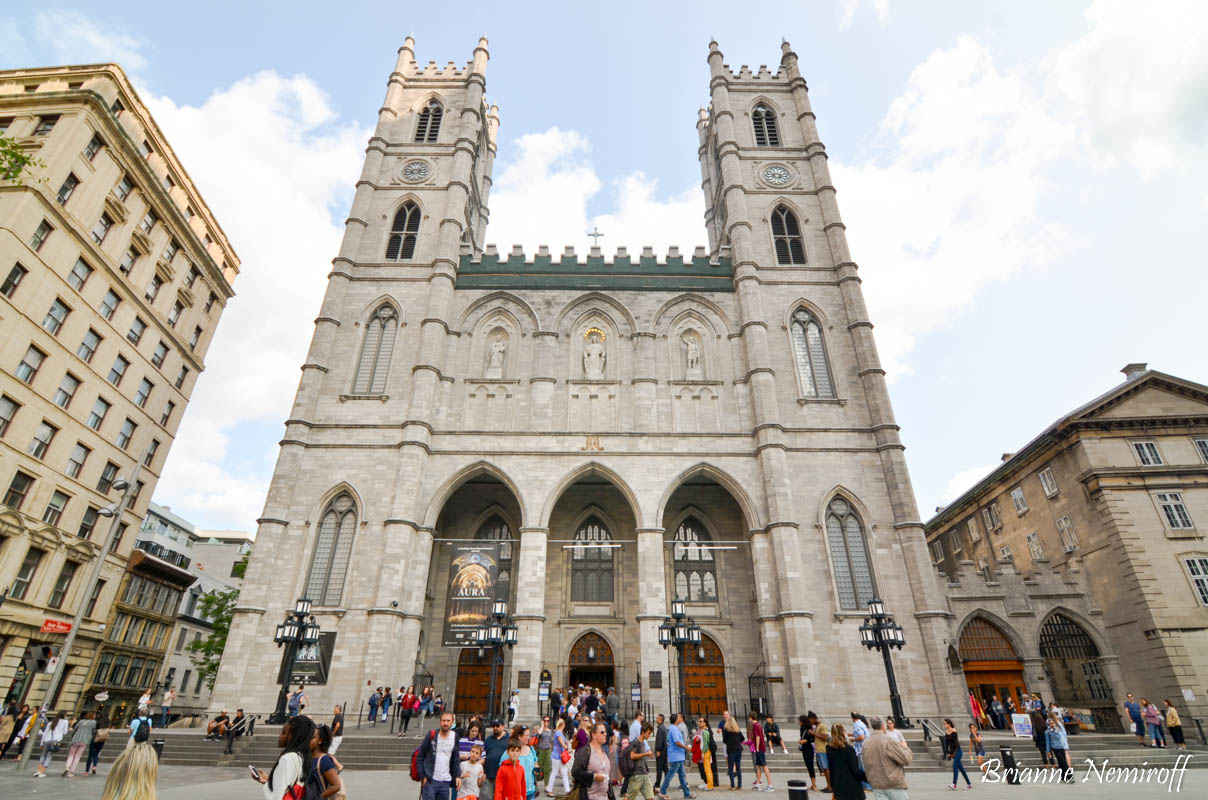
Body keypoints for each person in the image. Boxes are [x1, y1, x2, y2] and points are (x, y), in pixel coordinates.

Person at [252, 716, 317, 800]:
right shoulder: (302, 756)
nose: (280, 736)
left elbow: (276, 798)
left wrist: (265, 786)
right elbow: (289, 785)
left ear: (294, 736)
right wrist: (269, 781)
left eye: (283, 732)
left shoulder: (287, 759)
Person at [861, 717, 911, 800]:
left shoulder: (866, 743)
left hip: (876, 783)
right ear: (883, 726)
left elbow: (865, 763)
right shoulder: (889, 741)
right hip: (892, 783)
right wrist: (905, 748)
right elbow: (906, 759)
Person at [419, 711, 462, 800]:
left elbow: (456, 758)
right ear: (440, 722)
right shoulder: (431, 735)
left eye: (448, 721)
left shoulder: (455, 737)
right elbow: (420, 756)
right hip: (430, 780)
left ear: (452, 722)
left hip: (445, 781)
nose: (445, 723)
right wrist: (423, 776)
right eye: (443, 720)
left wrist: (457, 775)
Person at [574, 723, 619, 800]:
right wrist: (594, 776)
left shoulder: (604, 753)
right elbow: (575, 772)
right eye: (602, 732)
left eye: (605, 732)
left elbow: (607, 780)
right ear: (593, 735)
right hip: (589, 796)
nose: (605, 734)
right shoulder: (585, 751)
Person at [825, 723, 866, 800]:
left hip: (838, 786)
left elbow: (831, 768)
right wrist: (868, 778)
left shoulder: (829, 749)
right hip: (852, 788)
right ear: (844, 732)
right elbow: (855, 771)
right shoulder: (849, 750)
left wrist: (832, 784)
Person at [659, 712, 694, 799]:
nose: (680, 718)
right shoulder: (674, 729)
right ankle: (662, 791)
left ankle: (687, 793)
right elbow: (677, 742)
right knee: (670, 774)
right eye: (678, 717)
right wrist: (686, 747)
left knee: (682, 775)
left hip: (678, 756)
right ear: (676, 720)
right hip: (676, 756)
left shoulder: (672, 728)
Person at [310, 723, 344, 800]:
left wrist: (317, 797)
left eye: (312, 738)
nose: (308, 740)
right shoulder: (307, 757)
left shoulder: (324, 760)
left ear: (320, 741)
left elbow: (336, 785)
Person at [626, 721, 657, 800]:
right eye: (648, 733)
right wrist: (645, 754)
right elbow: (632, 756)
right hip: (636, 774)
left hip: (644, 773)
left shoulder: (643, 742)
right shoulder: (636, 742)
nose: (649, 735)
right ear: (643, 732)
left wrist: (648, 755)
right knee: (630, 797)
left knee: (650, 797)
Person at [35, 710, 69, 777]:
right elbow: (65, 732)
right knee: (49, 756)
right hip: (55, 741)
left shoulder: (51, 722)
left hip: (46, 740)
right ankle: (42, 772)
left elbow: (45, 733)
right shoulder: (65, 722)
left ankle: (39, 771)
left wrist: (41, 743)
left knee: (43, 755)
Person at [482, 718, 509, 800]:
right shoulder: (488, 739)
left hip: (503, 776)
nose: (495, 728)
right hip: (489, 774)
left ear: (503, 727)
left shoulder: (509, 739)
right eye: (493, 726)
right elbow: (484, 755)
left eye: (497, 726)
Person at [941, 718, 971, 791]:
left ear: (949, 724)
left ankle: (954, 784)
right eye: (944, 723)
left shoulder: (954, 731)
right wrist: (947, 752)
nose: (944, 724)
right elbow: (947, 743)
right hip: (952, 752)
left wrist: (951, 752)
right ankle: (969, 784)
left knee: (955, 767)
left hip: (957, 751)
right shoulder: (946, 732)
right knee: (961, 768)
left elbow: (955, 743)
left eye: (945, 723)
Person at [65, 711, 97, 777]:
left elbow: (75, 729)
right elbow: (94, 731)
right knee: (77, 756)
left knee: (71, 755)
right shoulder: (94, 723)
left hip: (76, 739)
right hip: (84, 741)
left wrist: (73, 736)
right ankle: (72, 772)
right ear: (93, 716)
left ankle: (67, 767)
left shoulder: (81, 721)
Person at [1044, 712, 1073, 784]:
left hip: (1062, 746)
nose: (1052, 724)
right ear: (1048, 724)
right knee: (1063, 762)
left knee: (1061, 763)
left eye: (1053, 723)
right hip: (1055, 748)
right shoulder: (1047, 732)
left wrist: (1065, 744)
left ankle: (1063, 777)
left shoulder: (1058, 729)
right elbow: (1047, 742)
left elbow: (1063, 736)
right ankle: (1070, 777)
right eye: (1050, 723)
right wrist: (1048, 752)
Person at [547, 717, 572, 796]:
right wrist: (567, 748)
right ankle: (549, 790)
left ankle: (567, 790)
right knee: (555, 773)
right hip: (557, 755)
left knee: (563, 772)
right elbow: (561, 743)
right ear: (563, 725)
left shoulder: (559, 732)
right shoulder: (558, 733)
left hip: (559, 755)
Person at [747, 711, 771, 792]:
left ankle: (770, 785)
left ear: (750, 717)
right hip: (758, 748)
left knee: (764, 766)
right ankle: (758, 784)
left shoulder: (756, 725)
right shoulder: (757, 725)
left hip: (759, 748)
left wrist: (757, 748)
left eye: (749, 718)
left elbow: (758, 737)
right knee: (757, 766)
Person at [721, 715, 744, 790]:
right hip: (738, 749)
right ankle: (739, 784)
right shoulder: (738, 730)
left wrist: (730, 742)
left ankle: (732, 785)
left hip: (731, 750)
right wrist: (737, 742)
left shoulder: (726, 730)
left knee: (731, 768)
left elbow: (724, 740)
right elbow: (743, 739)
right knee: (738, 767)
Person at [693, 716, 715, 790]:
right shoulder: (704, 731)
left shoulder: (705, 731)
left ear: (705, 723)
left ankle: (710, 785)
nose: (699, 723)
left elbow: (705, 743)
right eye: (699, 721)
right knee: (707, 769)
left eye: (701, 721)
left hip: (706, 751)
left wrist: (703, 752)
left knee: (707, 769)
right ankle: (709, 784)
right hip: (707, 751)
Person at [86, 709, 110, 776]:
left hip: (96, 737)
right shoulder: (107, 721)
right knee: (97, 754)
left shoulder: (97, 721)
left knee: (90, 755)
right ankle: (94, 767)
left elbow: (94, 729)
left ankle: (87, 771)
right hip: (102, 739)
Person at [797, 714, 818, 792]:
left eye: (800, 721)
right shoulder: (802, 729)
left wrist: (805, 741)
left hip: (809, 749)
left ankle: (814, 784)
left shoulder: (809, 728)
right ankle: (812, 784)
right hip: (804, 749)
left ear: (803, 721)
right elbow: (802, 737)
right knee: (808, 766)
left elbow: (812, 739)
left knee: (810, 766)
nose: (799, 722)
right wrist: (800, 740)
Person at [813, 714, 832, 794]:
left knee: (826, 768)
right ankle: (828, 785)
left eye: (810, 720)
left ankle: (830, 786)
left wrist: (813, 733)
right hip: (818, 750)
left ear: (813, 719)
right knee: (824, 769)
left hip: (823, 750)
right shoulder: (817, 726)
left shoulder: (822, 726)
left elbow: (825, 737)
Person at [536, 716, 554, 788]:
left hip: (548, 750)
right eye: (545, 720)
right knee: (537, 768)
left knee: (547, 769)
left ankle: (546, 785)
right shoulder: (540, 729)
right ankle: (535, 784)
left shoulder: (550, 731)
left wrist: (550, 748)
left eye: (548, 721)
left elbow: (551, 741)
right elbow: (539, 733)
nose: (546, 722)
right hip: (541, 750)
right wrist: (542, 725)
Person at [654, 713, 668, 790]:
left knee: (659, 768)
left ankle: (657, 783)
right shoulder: (664, 728)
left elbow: (660, 741)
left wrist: (658, 750)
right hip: (664, 751)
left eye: (657, 718)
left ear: (660, 720)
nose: (656, 719)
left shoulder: (660, 729)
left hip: (661, 751)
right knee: (665, 768)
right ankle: (666, 781)